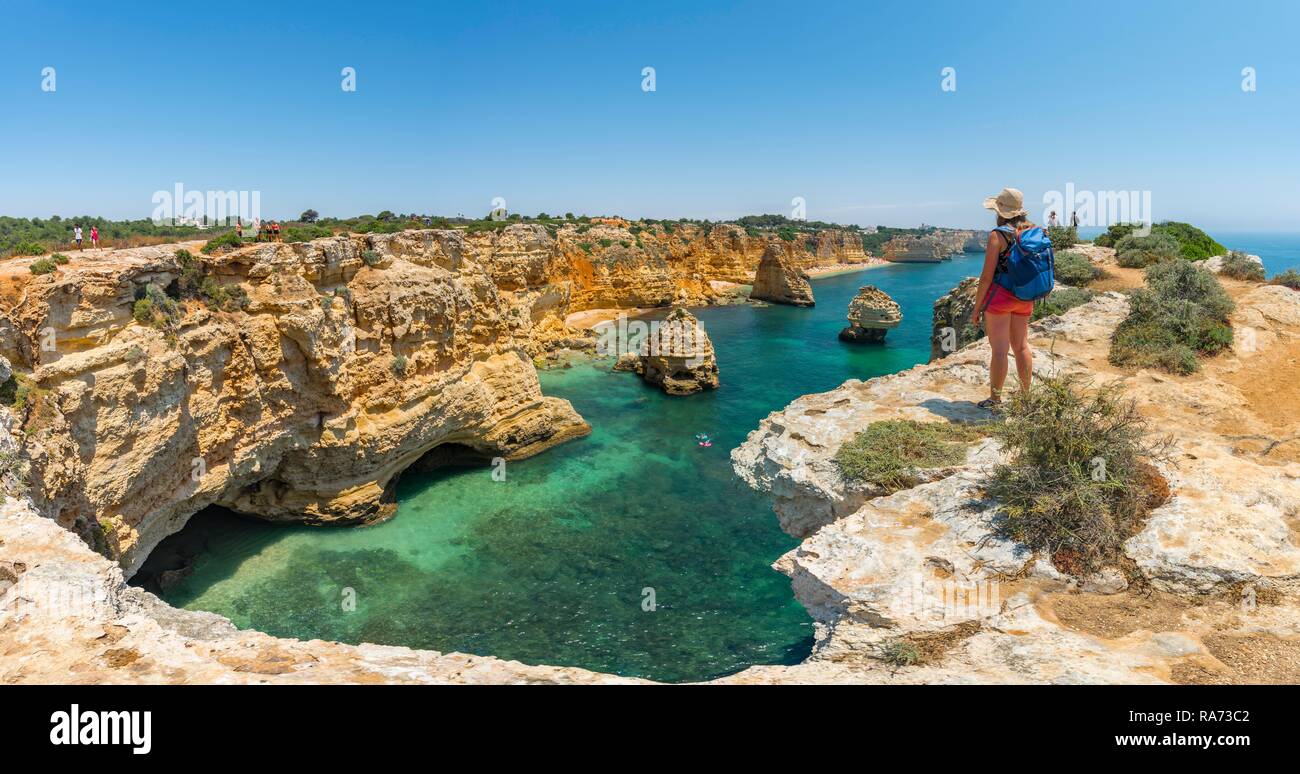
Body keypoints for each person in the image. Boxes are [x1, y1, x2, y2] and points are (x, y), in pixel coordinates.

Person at [973, 187, 1036, 409]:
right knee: (1021, 346)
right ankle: (1026, 397)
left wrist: (977, 308)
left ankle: (995, 398)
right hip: (1025, 296)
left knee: (999, 350)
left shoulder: (997, 235)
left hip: (1001, 299)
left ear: (1000, 211)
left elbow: (986, 277)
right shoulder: (1033, 231)